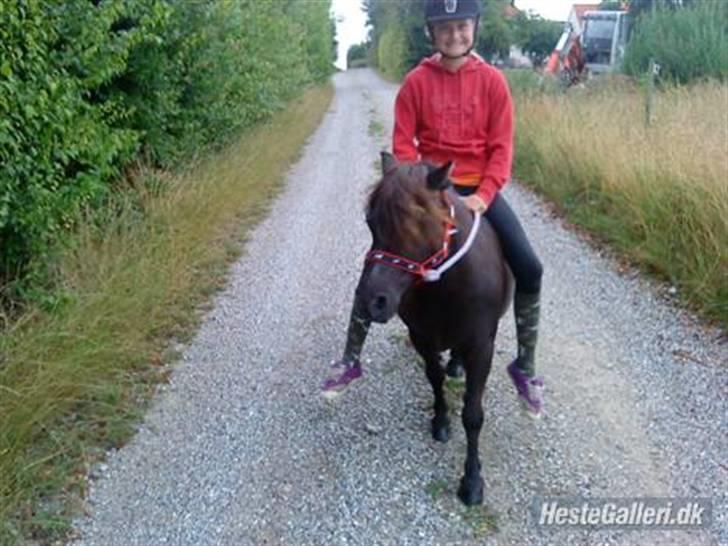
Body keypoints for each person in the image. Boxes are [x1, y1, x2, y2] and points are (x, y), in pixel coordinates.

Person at [322, 0, 545, 417]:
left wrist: (483, 195)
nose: (454, 35)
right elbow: (404, 145)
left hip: (478, 189)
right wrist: (417, 189)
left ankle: (525, 366)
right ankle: (350, 358)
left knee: (529, 266)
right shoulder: (415, 83)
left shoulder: (495, 83)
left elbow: (501, 151)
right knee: (380, 258)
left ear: (474, 27)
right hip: (425, 189)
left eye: (461, 26)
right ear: (431, 33)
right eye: (445, 28)